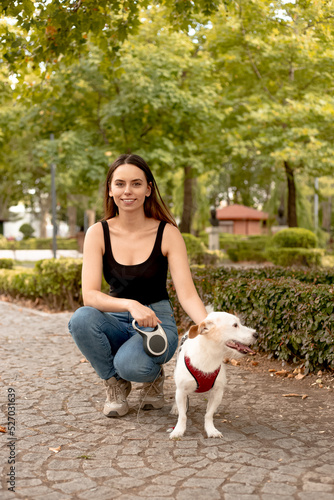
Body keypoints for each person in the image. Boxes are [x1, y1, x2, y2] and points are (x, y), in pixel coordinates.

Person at [68, 153, 208, 417]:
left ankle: (152, 376)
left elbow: (187, 295)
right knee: (81, 319)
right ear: (110, 190)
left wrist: (210, 328)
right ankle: (115, 383)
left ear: (148, 189)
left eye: (136, 183)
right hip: (118, 320)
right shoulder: (98, 233)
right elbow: (90, 296)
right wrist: (131, 304)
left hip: (158, 321)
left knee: (131, 365)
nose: (127, 191)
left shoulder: (167, 233)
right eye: (119, 184)